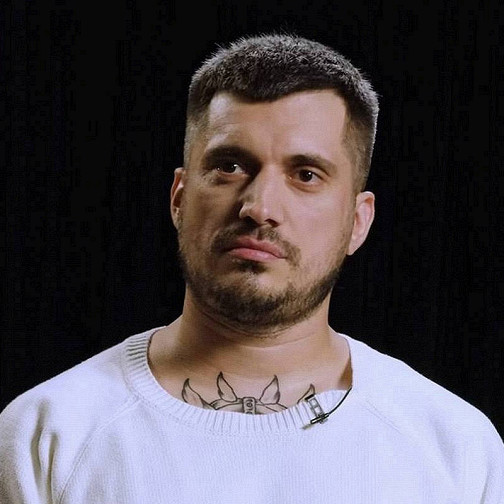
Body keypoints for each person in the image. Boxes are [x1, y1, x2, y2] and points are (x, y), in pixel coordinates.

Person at [0, 33, 503, 504]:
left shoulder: (456, 448)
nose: (260, 207)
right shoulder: (46, 434)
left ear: (358, 221)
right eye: (230, 166)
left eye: (306, 174)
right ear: (179, 198)